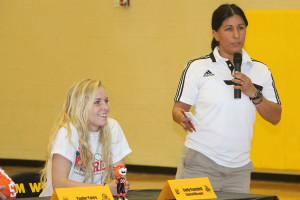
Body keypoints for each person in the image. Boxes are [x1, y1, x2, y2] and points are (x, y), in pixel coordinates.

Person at [172, 4, 282, 193]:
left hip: (239, 170)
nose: (237, 35)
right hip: (200, 162)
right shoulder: (197, 67)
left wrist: (253, 92)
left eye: (241, 28)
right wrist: (181, 117)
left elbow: (275, 116)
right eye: (229, 29)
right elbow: (177, 108)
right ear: (216, 34)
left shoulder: (261, 70)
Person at [40, 79, 132, 197]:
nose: (106, 107)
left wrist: (120, 184)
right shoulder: (67, 132)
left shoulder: (113, 127)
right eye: (97, 102)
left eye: (106, 101)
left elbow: (119, 173)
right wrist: (104, 189)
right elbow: (59, 184)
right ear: (81, 106)